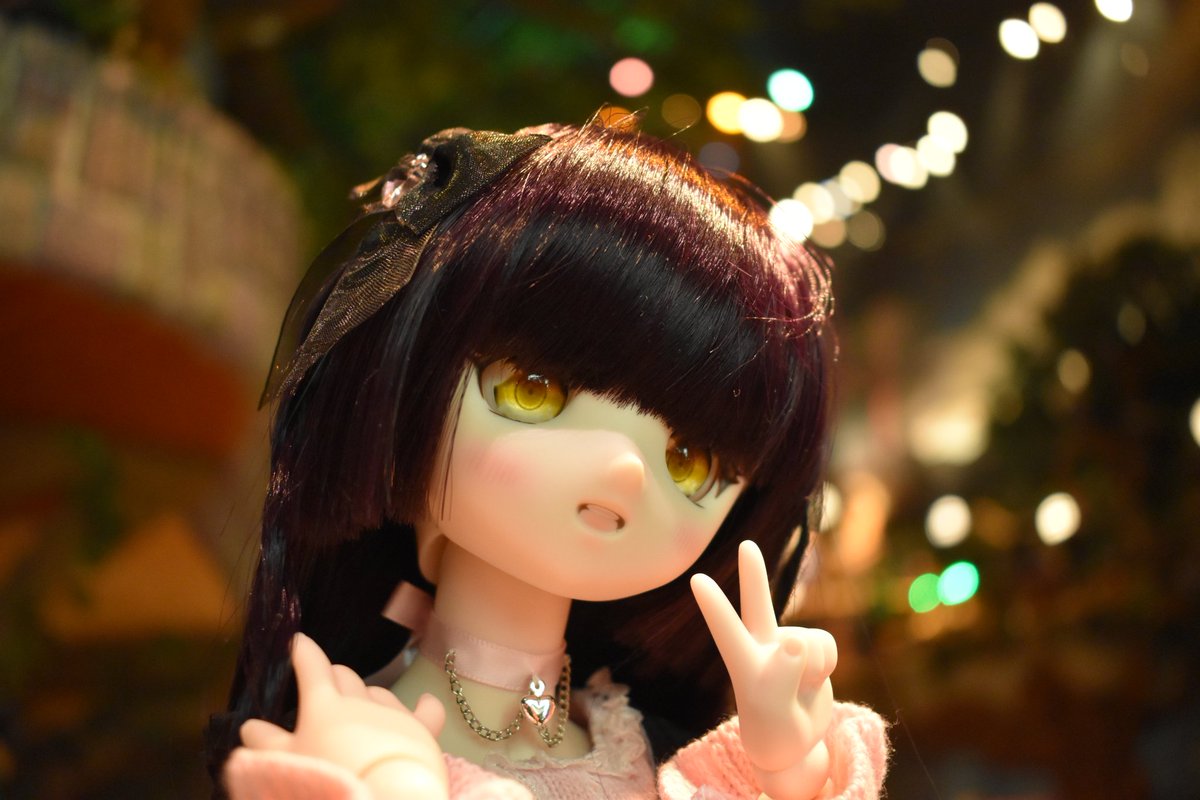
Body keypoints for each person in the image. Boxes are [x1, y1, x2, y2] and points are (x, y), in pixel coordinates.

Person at [206, 116, 888, 800]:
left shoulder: (650, 751)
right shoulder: (361, 747)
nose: (626, 472)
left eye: (690, 462)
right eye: (532, 391)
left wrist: (786, 774)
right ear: (404, 381)